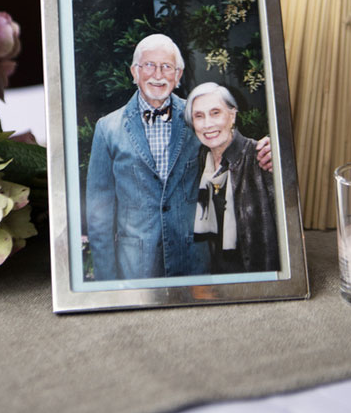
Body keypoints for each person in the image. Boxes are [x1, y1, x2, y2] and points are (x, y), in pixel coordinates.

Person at [85, 33, 271, 282]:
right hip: (135, 266)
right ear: (134, 72)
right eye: (149, 65)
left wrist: (268, 152)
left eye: (167, 67)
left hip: (194, 261)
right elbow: (99, 213)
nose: (158, 74)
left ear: (179, 75)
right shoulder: (108, 128)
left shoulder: (198, 116)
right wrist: (106, 282)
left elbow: (233, 150)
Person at [185, 82, 279, 274]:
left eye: (215, 113)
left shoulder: (261, 157)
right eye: (199, 116)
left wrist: (280, 154)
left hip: (255, 274)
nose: (208, 124)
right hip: (215, 275)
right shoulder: (200, 162)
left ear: (232, 115)